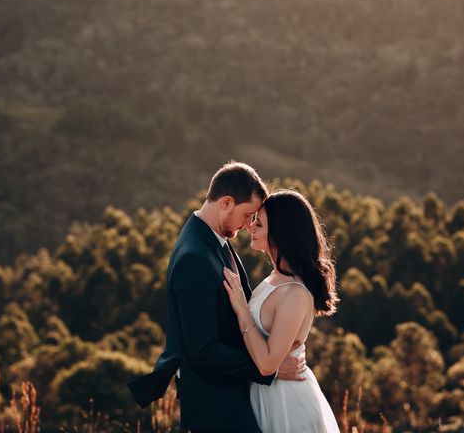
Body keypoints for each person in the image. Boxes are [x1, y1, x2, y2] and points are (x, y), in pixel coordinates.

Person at [128, 161, 306, 432]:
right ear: (226, 203)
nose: (249, 225)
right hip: (214, 402)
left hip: (230, 395)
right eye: (248, 214)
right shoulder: (195, 257)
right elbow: (203, 351)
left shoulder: (212, 240)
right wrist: (270, 370)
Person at [223, 189, 340, 433]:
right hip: (266, 396)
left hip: (287, 404)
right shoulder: (275, 278)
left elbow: (267, 364)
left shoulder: (295, 293)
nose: (250, 227)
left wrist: (242, 310)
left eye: (260, 223)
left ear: (281, 234)